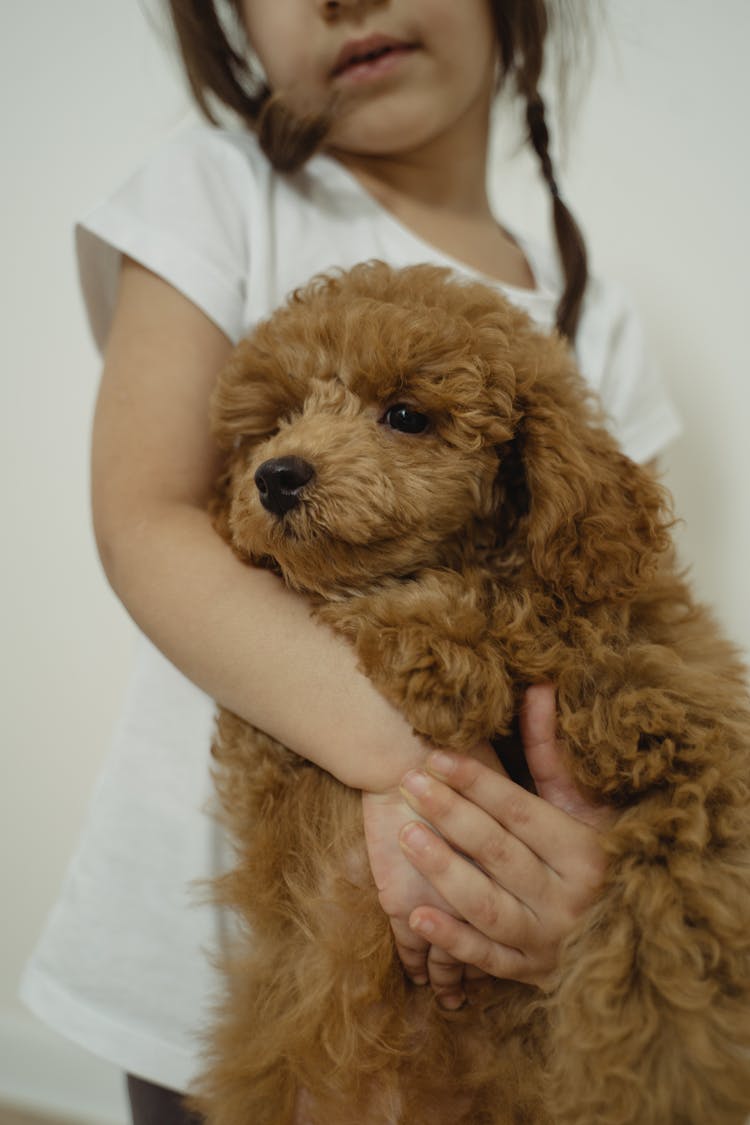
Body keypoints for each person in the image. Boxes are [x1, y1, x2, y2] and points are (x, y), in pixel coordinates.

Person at [21, 1, 681, 1122]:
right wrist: (411, 761)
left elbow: (616, 612)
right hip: (208, 959)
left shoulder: (594, 318)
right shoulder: (220, 189)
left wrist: (585, 877)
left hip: (476, 956)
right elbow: (149, 521)